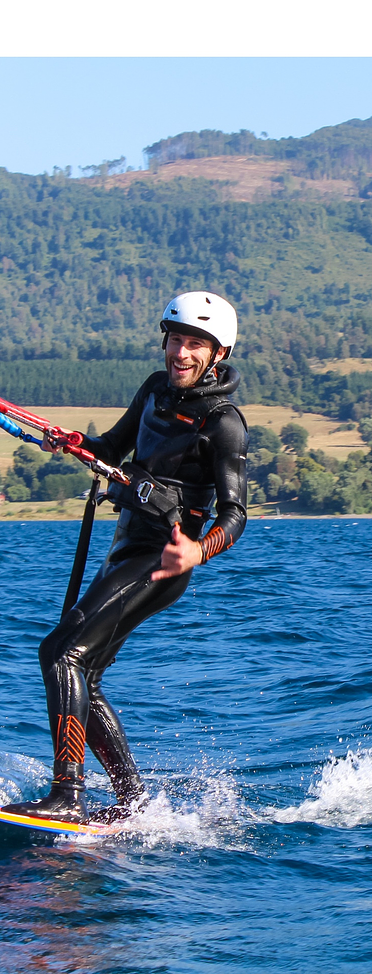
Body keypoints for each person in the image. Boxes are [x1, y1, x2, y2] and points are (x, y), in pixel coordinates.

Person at [5, 291, 249, 824]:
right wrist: (72, 442)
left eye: (194, 345)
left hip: (164, 561)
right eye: (176, 340)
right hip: (125, 548)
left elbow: (236, 515)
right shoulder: (155, 391)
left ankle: (67, 794)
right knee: (81, 673)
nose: (180, 353)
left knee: (60, 653)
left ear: (217, 354)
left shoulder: (224, 422)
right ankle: (131, 802)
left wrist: (197, 550)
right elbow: (113, 449)